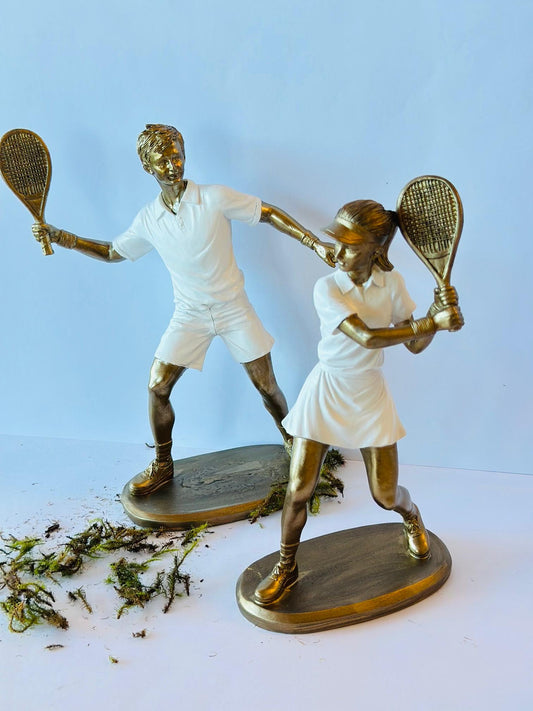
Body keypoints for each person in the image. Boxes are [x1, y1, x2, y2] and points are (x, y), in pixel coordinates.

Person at [32, 124, 334, 497]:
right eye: (162, 160)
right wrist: (62, 237)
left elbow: (268, 213)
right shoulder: (148, 219)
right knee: (158, 386)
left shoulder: (215, 197)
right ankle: (163, 465)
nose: (172, 166)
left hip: (234, 308)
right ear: (147, 167)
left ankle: (291, 440)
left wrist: (314, 243)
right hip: (189, 316)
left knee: (266, 386)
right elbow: (112, 252)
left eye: (177, 156)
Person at [254, 199, 464, 606]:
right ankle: (286, 566)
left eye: (349, 246)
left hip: (369, 395)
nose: (337, 252)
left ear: (375, 249)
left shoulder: (393, 284)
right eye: (337, 241)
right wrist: (430, 322)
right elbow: (366, 337)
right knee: (299, 489)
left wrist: (436, 322)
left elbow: (415, 345)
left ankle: (411, 516)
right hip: (326, 390)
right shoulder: (327, 286)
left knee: (385, 496)